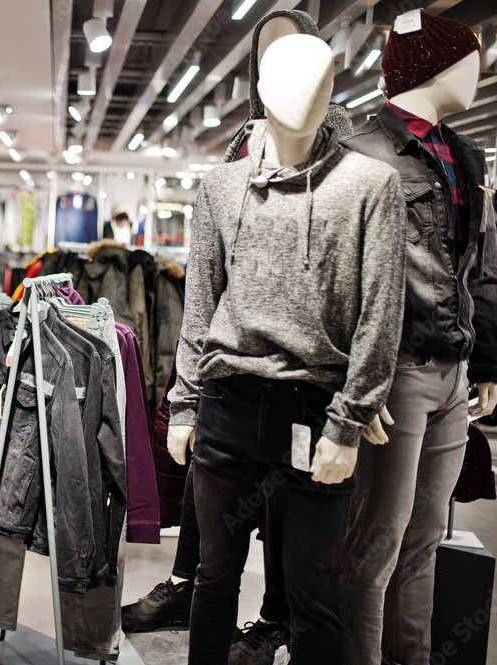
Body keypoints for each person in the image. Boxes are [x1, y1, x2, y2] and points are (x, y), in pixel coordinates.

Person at [167, 33, 406, 665]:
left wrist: (348, 423)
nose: (307, 93)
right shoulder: (220, 187)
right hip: (228, 402)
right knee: (214, 579)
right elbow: (200, 303)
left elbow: (380, 314)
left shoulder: (369, 184)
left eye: (322, 79)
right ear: (264, 90)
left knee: (312, 594)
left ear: (336, 90)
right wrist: (185, 404)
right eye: (291, 79)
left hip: (314, 410)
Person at [340, 13, 497, 664]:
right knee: (376, 541)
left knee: (426, 536)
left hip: (452, 375)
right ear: (435, 61)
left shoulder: (464, 154)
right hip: (394, 370)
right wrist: (357, 379)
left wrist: (486, 360)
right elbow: (335, 274)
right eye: (470, 57)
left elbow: (480, 266)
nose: (480, 69)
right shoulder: (359, 150)